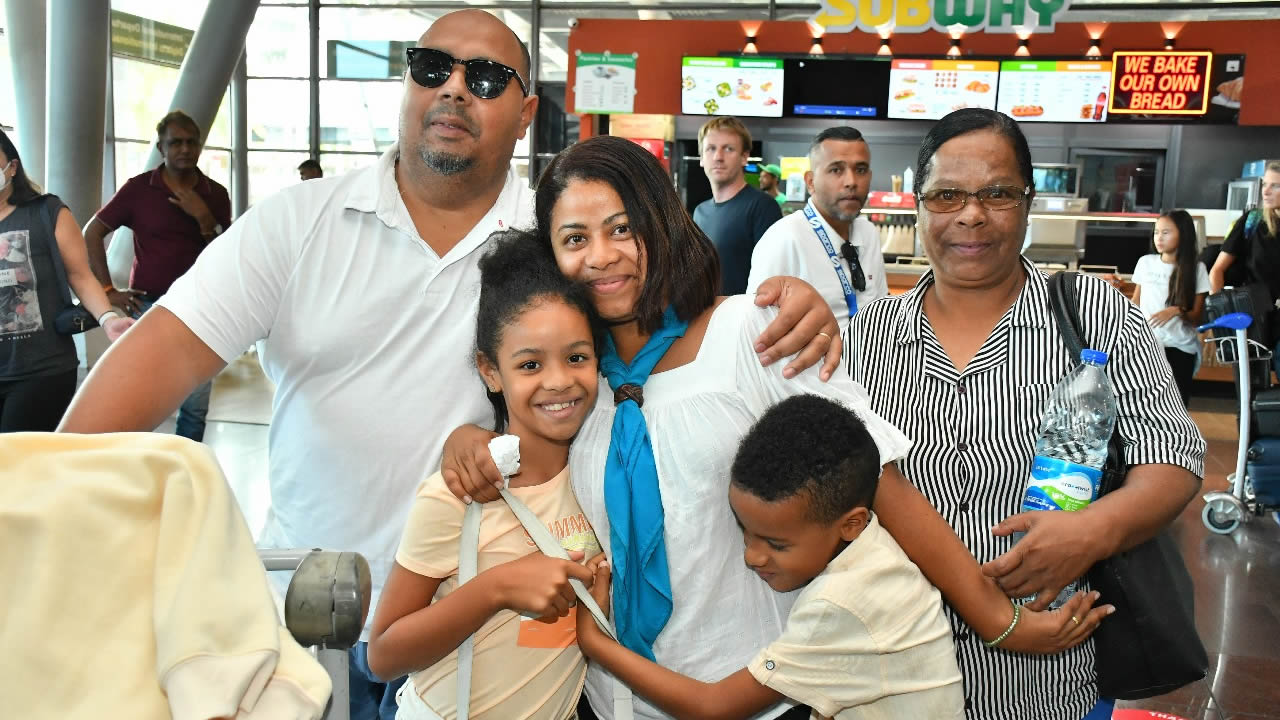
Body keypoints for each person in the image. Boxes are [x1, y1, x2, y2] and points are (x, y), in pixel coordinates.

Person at [59, 10, 838, 720]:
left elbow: (652, 334)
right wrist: (40, 497)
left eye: (488, 78)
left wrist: (783, 302)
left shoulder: (549, 246)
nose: (456, 89)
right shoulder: (297, 225)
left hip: (492, 647)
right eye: (432, 66)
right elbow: (154, 360)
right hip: (306, 633)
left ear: (527, 112)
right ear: (407, 81)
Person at [443, 135, 1106, 720]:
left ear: (661, 225)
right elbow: (515, 464)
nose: (603, 257)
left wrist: (996, 620)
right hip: (610, 697)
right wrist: (465, 438)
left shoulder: (752, 331)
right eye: (574, 239)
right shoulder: (574, 382)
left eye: (622, 229)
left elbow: (874, 474)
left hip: (756, 693)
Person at [852, 109, 1206, 720]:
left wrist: (1090, 531)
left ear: (1027, 202)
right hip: (892, 678)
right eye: (946, 195)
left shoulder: (1094, 314)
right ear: (919, 205)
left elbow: (1172, 459)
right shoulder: (865, 336)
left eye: (997, 193)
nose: (971, 214)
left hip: (1051, 676)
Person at [574, 393, 964, 719]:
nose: (752, 557)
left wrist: (597, 643)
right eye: (746, 532)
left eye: (776, 544)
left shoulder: (842, 603)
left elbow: (714, 707)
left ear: (852, 523)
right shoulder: (873, 554)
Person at [368, 231, 603, 719]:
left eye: (576, 357)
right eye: (530, 364)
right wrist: (496, 588)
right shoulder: (458, 495)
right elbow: (384, 655)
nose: (558, 380)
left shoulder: (600, 477)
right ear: (490, 372)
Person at [82, 110, 231, 442]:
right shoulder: (139, 189)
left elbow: (228, 255)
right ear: (162, 148)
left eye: (192, 142)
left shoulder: (215, 194)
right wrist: (107, 290)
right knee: (142, 393)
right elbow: (92, 233)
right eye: (175, 142)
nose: (185, 149)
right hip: (148, 304)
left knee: (194, 402)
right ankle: (140, 467)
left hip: (201, 307)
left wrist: (205, 219)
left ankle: (187, 466)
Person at [0, 129, 133, 432]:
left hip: (40, 371)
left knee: (18, 467)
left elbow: (80, 275)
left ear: (12, 167)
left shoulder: (46, 213)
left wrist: (108, 318)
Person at [747, 126, 889, 343]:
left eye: (860, 169)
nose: (851, 181)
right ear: (811, 182)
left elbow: (880, 307)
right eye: (836, 170)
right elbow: (755, 331)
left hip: (871, 369)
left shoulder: (868, 232)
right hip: (811, 373)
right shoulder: (783, 238)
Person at [1121, 209, 1210, 407]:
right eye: (1156, 232)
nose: (1159, 238)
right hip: (1146, 345)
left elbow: (1197, 317)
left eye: (1166, 232)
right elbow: (1135, 302)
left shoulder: (1197, 269)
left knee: (1175, 405)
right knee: (1142, 402)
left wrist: (1177, 310)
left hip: (1180, 348)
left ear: (1183, 234)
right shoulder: (1145, 263)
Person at [692, 117, 782, 295]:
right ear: (702, 158)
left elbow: (773, 280)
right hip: (706, 318)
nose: (718, 157)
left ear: (744, 157)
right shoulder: (700, 212)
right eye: (711, 149)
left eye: (728, 149)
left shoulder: (763, 207)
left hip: (746, 319)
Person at [1210, 161, 1280, 375]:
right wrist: (1221, 313)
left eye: (1275, 186)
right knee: (1249, 393)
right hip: (1252, 320)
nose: (1265, 191)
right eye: (1264, 184)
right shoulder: (1252, 221)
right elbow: (1217, 271)